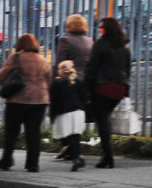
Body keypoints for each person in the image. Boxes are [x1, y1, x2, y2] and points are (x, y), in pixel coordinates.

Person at [0, 33, 51, 172]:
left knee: (11, 132)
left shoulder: (16, 58)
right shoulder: (43, 60)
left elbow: (1, 75)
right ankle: (33, 164)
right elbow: (49, 79)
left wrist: (6, 85)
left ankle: (7, 159)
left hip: (17, 100)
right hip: (39, 101)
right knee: (34, 132)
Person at [84, 16, 132, 169]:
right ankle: (106, 155)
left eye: (101, 27)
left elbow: (92, 68)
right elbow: (127, 69)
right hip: (119, 88)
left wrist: (86, 89)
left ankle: (108, 156)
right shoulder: (123, 47)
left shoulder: (100, 44)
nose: (99, 30)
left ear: (107, 29)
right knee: (105, 119)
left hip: (103, 86)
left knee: (102, 121)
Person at [52, 14, 93, 160]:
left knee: (62, 113)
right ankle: (72, 149)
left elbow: (60, 63)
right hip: (85, 84)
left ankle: (67, 146)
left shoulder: (65, 40)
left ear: (69, 26)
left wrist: (54, 81)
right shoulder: (90, 41)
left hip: (69, 83)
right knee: (76, 116)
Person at [49, 60, 87, 172]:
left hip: (64, 113)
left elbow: (53, 101)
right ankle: (76, 158)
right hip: (79, 113)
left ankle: (75, 157)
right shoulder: (78, 82)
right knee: (75, 137)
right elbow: (84, 98)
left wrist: (52, 117)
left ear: (61, 70)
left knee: (68, 137)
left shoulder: (56, 83)